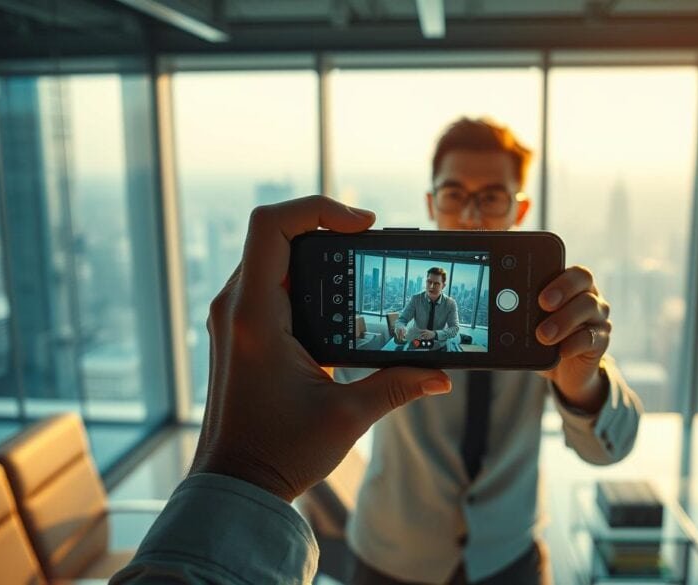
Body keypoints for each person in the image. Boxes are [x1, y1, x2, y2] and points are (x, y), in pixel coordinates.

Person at [343, 118, 643, 585]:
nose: (470, 214)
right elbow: (334, 377)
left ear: (519, 210)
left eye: (491, 196)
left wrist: (582, 384)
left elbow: (612, 447)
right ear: (431, 203)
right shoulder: (400, 307)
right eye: (455, 194)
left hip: (510, 559)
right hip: (390, 557)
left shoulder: (550, 304)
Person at [110, 196, 454, 584]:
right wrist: (407, 331)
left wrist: (237, 474)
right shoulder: (412, 300)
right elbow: (399, 325)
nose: (432, 284)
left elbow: (454, 332)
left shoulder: (452, 306)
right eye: (430, 279)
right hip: (392, 543)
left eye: (437, 281)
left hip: (507, 553)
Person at [394, 266, 460, 349]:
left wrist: (435, 334)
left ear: (443, 286)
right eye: (429, 282)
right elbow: (402, 319)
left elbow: (454, 328)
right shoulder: (416, 299)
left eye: (436, 283)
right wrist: (400, 327)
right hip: (416, 344)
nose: (431, 286)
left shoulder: (450, 304)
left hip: (438, 346)